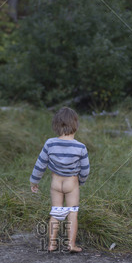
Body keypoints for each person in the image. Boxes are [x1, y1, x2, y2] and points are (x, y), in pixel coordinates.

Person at [30, 107, 90, 253]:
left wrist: (34, 180)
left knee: (56, 212)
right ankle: (71, 244)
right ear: (76, 125)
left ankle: (51, 244)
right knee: (72, 213)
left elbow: (40, 164)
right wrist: (80, 181)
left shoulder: (50, 143)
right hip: (71, 183)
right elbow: (85, 169)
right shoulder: (80, 147)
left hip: (56, 183)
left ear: (56, 125)